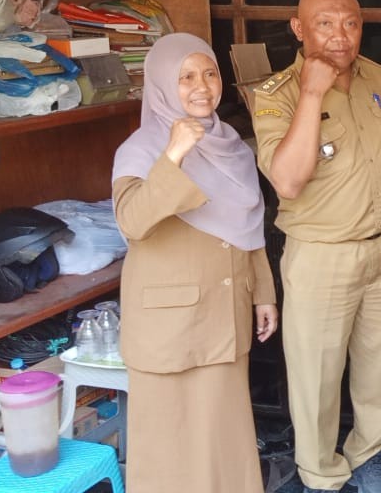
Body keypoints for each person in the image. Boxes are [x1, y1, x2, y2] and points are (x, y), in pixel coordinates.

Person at [252, 0, 381, 493]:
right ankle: (321, 472)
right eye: (325, 23)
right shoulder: (274, 95)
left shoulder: (378, 79)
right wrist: (314, 92)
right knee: (316, 374)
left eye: (350, 22)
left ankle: (368, 452)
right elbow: (289, 180)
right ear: (299, 28)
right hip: (322, 255)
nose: (341, 36)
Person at [112, 32, 277, 493]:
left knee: (225, 443)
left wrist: (263, 293)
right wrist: (174, 153)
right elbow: (132, 222)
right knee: (169, 449)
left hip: (223, 318)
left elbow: (249, 229)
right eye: (185, 77)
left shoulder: (232, 145)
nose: (201, 86)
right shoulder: (141, 150)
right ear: (163, 84)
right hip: (169, 329)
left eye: (209, 73)